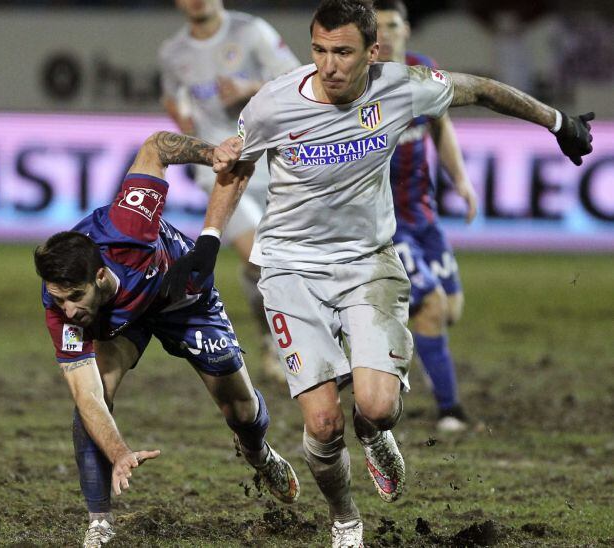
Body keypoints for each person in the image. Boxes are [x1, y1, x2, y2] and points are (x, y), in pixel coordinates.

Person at [160, 1, 594, 545]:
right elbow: (236, 169)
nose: (329, 65)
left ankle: (377, 435)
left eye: (343, 52)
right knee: (321, 424)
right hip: (292, 272)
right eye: (319, 51)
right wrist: (209, 240)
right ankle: (346, 519)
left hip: (369, 265)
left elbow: (482, 88)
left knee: (377, 407)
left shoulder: (402, 86)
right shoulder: (273, 102)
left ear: (374, 52)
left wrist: (558, 122)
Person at [35, 131, 300, 547]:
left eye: (74, 297)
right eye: (58, 299)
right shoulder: (62, 308)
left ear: (100, 276)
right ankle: (99, 522)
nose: (68, 311)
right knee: (95, 399)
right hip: (122, 322)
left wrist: (212, 154)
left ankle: (260, 454)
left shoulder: (130, 225)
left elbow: (156, 147)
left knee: (242, 410)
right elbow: (87, 398)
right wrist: (120, 451)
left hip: (183, 299)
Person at [158, 0, 301, 381]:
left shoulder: (251, 31)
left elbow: (299, 80)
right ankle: (276, 346)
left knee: (287, 261)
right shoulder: (174, 52)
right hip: (222, 170)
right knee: (258, 257)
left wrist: (249, 88)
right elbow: (171, 95)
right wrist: (187, 126)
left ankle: (296, 336)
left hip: (277, 163)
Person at [375, 0, 476, 432]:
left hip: (424, 216)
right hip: (385, 224)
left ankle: (374, 344)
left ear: (407, 29)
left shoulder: (423, 70)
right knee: (432, 308)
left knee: (451, 309)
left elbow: (441, 127)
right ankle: (450, 410)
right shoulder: (357, 83)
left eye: (391, 25)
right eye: (374, 26)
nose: (383, 34)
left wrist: (462, 181)